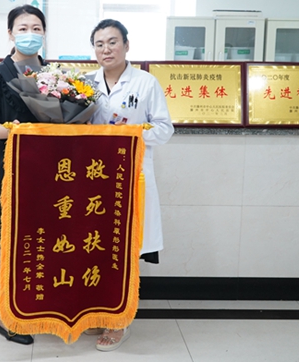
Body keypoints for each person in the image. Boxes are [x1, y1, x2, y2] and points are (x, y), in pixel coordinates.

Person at [87, 19, 174, 351]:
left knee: (123, 249)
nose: (106, 49)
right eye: (99, 44)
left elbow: (164, 129)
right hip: (94, 179)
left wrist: (129, 135)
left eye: (113, 42)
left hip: (130, 177)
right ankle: (100, 312)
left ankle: (119, 320)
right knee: (97, 246)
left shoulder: (146, 83)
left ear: (126, 45)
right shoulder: (85, 84)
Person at [0, 4, 47, 345]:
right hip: (9, 172)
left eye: (36, 28)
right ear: (10, 33)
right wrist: (14, 131)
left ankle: (38, 308)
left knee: (42, 237)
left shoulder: (54, 75)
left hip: (49, 173)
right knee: (8, 238)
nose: (30, 34)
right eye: (23, 28)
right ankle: (7, 316)